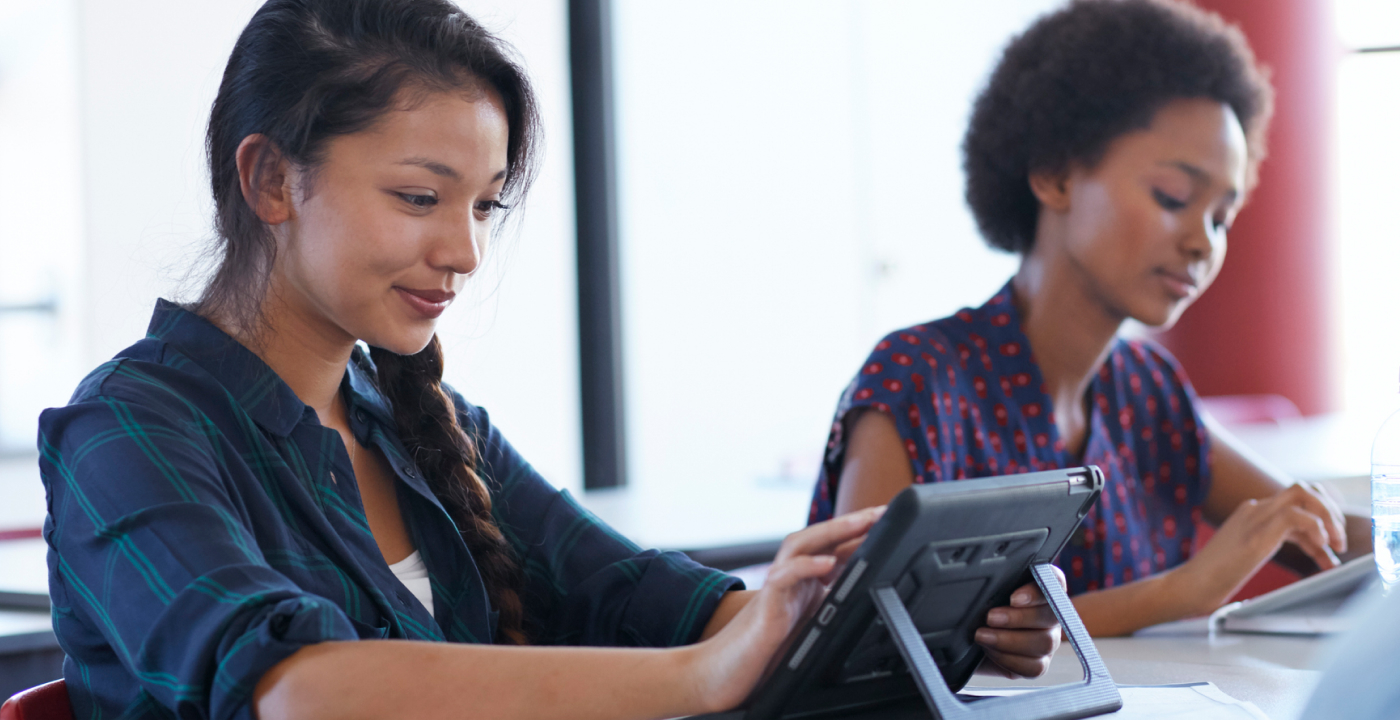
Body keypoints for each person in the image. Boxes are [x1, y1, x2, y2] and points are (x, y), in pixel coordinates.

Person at [35, 1, 1063, 718]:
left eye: (482, 206)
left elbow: (637, 593)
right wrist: (703, 677)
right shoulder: (124, 435)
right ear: (269, 179)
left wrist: (894, 621)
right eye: (418, 197)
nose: (464, 252)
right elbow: (301, 690)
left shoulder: (422, 423)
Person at [809, 0, 1368, 638]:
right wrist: (1181, 591)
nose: (1203, 242)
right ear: (1054, 175)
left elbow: (1311, 529)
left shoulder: (1148, 391)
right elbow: (858, 635)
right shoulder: (917, 379)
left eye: (1222, 218)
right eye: (1174, 198)